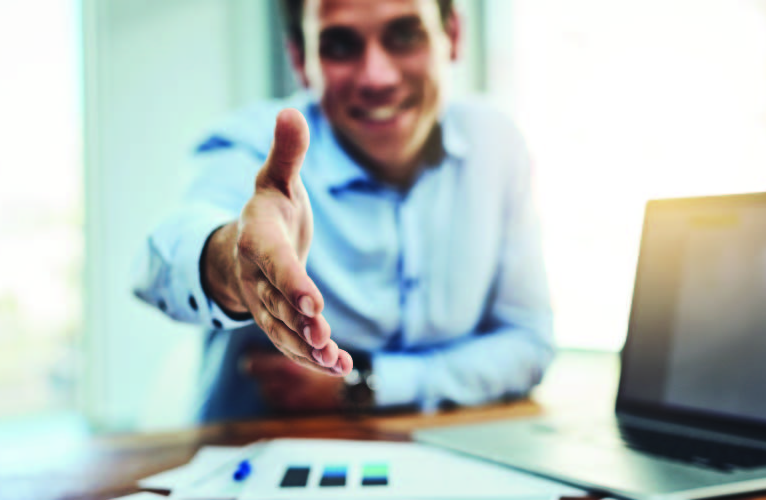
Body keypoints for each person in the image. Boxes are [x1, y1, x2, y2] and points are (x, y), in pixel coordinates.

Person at [132, 0, 555, 421]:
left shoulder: (496, 147)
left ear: (454, 37)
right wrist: (232, 259)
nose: (377, 77)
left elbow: (527, 343)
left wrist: (368, 383)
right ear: (301, 60)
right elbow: (159, 262)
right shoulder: (257, 144)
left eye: (405, 36)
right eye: (339, 46)